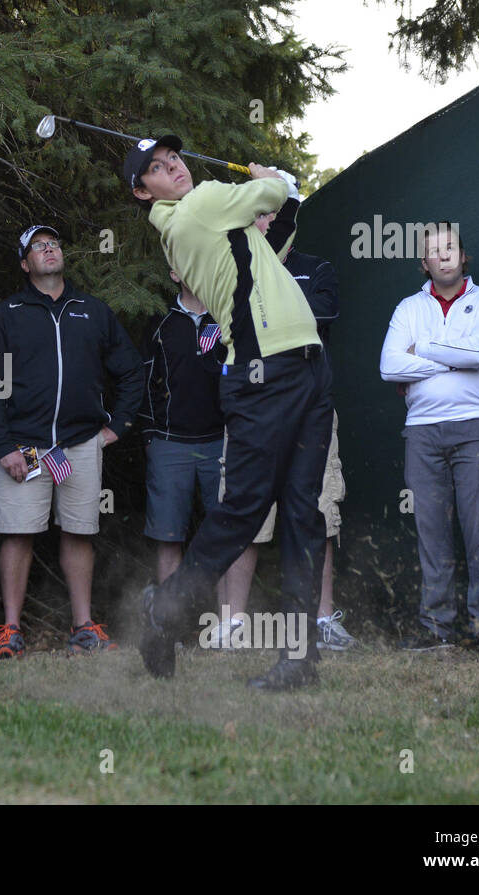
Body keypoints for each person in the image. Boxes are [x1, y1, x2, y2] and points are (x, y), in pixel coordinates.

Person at [127, 135, 331, 691]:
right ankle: (164, 611)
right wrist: (275, 181)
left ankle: (299, 661)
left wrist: (284, 199)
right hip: (264, 374)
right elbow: (267, 193)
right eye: (157, 170)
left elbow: (275, 240)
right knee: (243, 510)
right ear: (145, 194)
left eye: (174, 160)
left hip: (306, 367)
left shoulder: (217, 222)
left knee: (302, 516)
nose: (174, 169)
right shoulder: (195, 208)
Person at [0, 225, 143, 658]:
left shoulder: (92, 310)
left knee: (79, 533)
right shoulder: (7, 312)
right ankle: (11, 629)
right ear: (24, 263)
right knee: (17, 533)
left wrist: (117, 426)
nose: (49, 249)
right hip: (23, 447)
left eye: (54, 243)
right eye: (38, 246)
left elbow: (130, 370)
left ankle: (83, 627)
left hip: (80, 442)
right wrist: (3, 447)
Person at [227, 210, 355, 650]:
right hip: (253, 412)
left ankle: (320, 621)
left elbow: (324, 314)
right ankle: (231, 624)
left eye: (275, 213)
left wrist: (267, 312)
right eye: (258, 213)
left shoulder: (315, 268)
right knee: (244, 515)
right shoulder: (234, 267)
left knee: (317, 512)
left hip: (309, 411)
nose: (265, 221)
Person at [379, 222, 479, 654]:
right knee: (431, 534)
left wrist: (424, 349)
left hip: (477, 427)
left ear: (463, 255)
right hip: (422, 434)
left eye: (451, 247)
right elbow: (388, 366)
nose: (445, 255)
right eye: (435, 250)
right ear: (425, 263)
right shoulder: (407, 309)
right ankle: (436, 629)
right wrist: (452, 358)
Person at [138, 271, 255, 648]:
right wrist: (149, 434)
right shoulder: (158, 321)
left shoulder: (229, 316)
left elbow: (247, 374)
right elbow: (141, 381)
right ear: (172, 271)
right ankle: (167, 627)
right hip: (170, 442)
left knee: (226, 534)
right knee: (169, 536)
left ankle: (228, 627)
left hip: (222, 442)